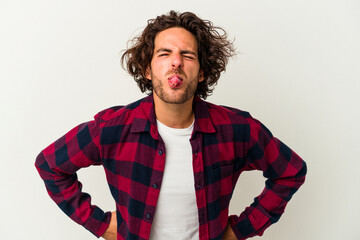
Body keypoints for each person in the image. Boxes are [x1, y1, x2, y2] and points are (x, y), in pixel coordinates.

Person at [35, 11, 307, 240]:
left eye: (187, 55)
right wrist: (101, 224)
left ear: (201, 72)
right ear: (147, 69)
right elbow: (50, 164)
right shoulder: (113, 129)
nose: (176, 61)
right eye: (164, 53)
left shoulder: (236, 129)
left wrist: (240, 229)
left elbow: (291, 172)